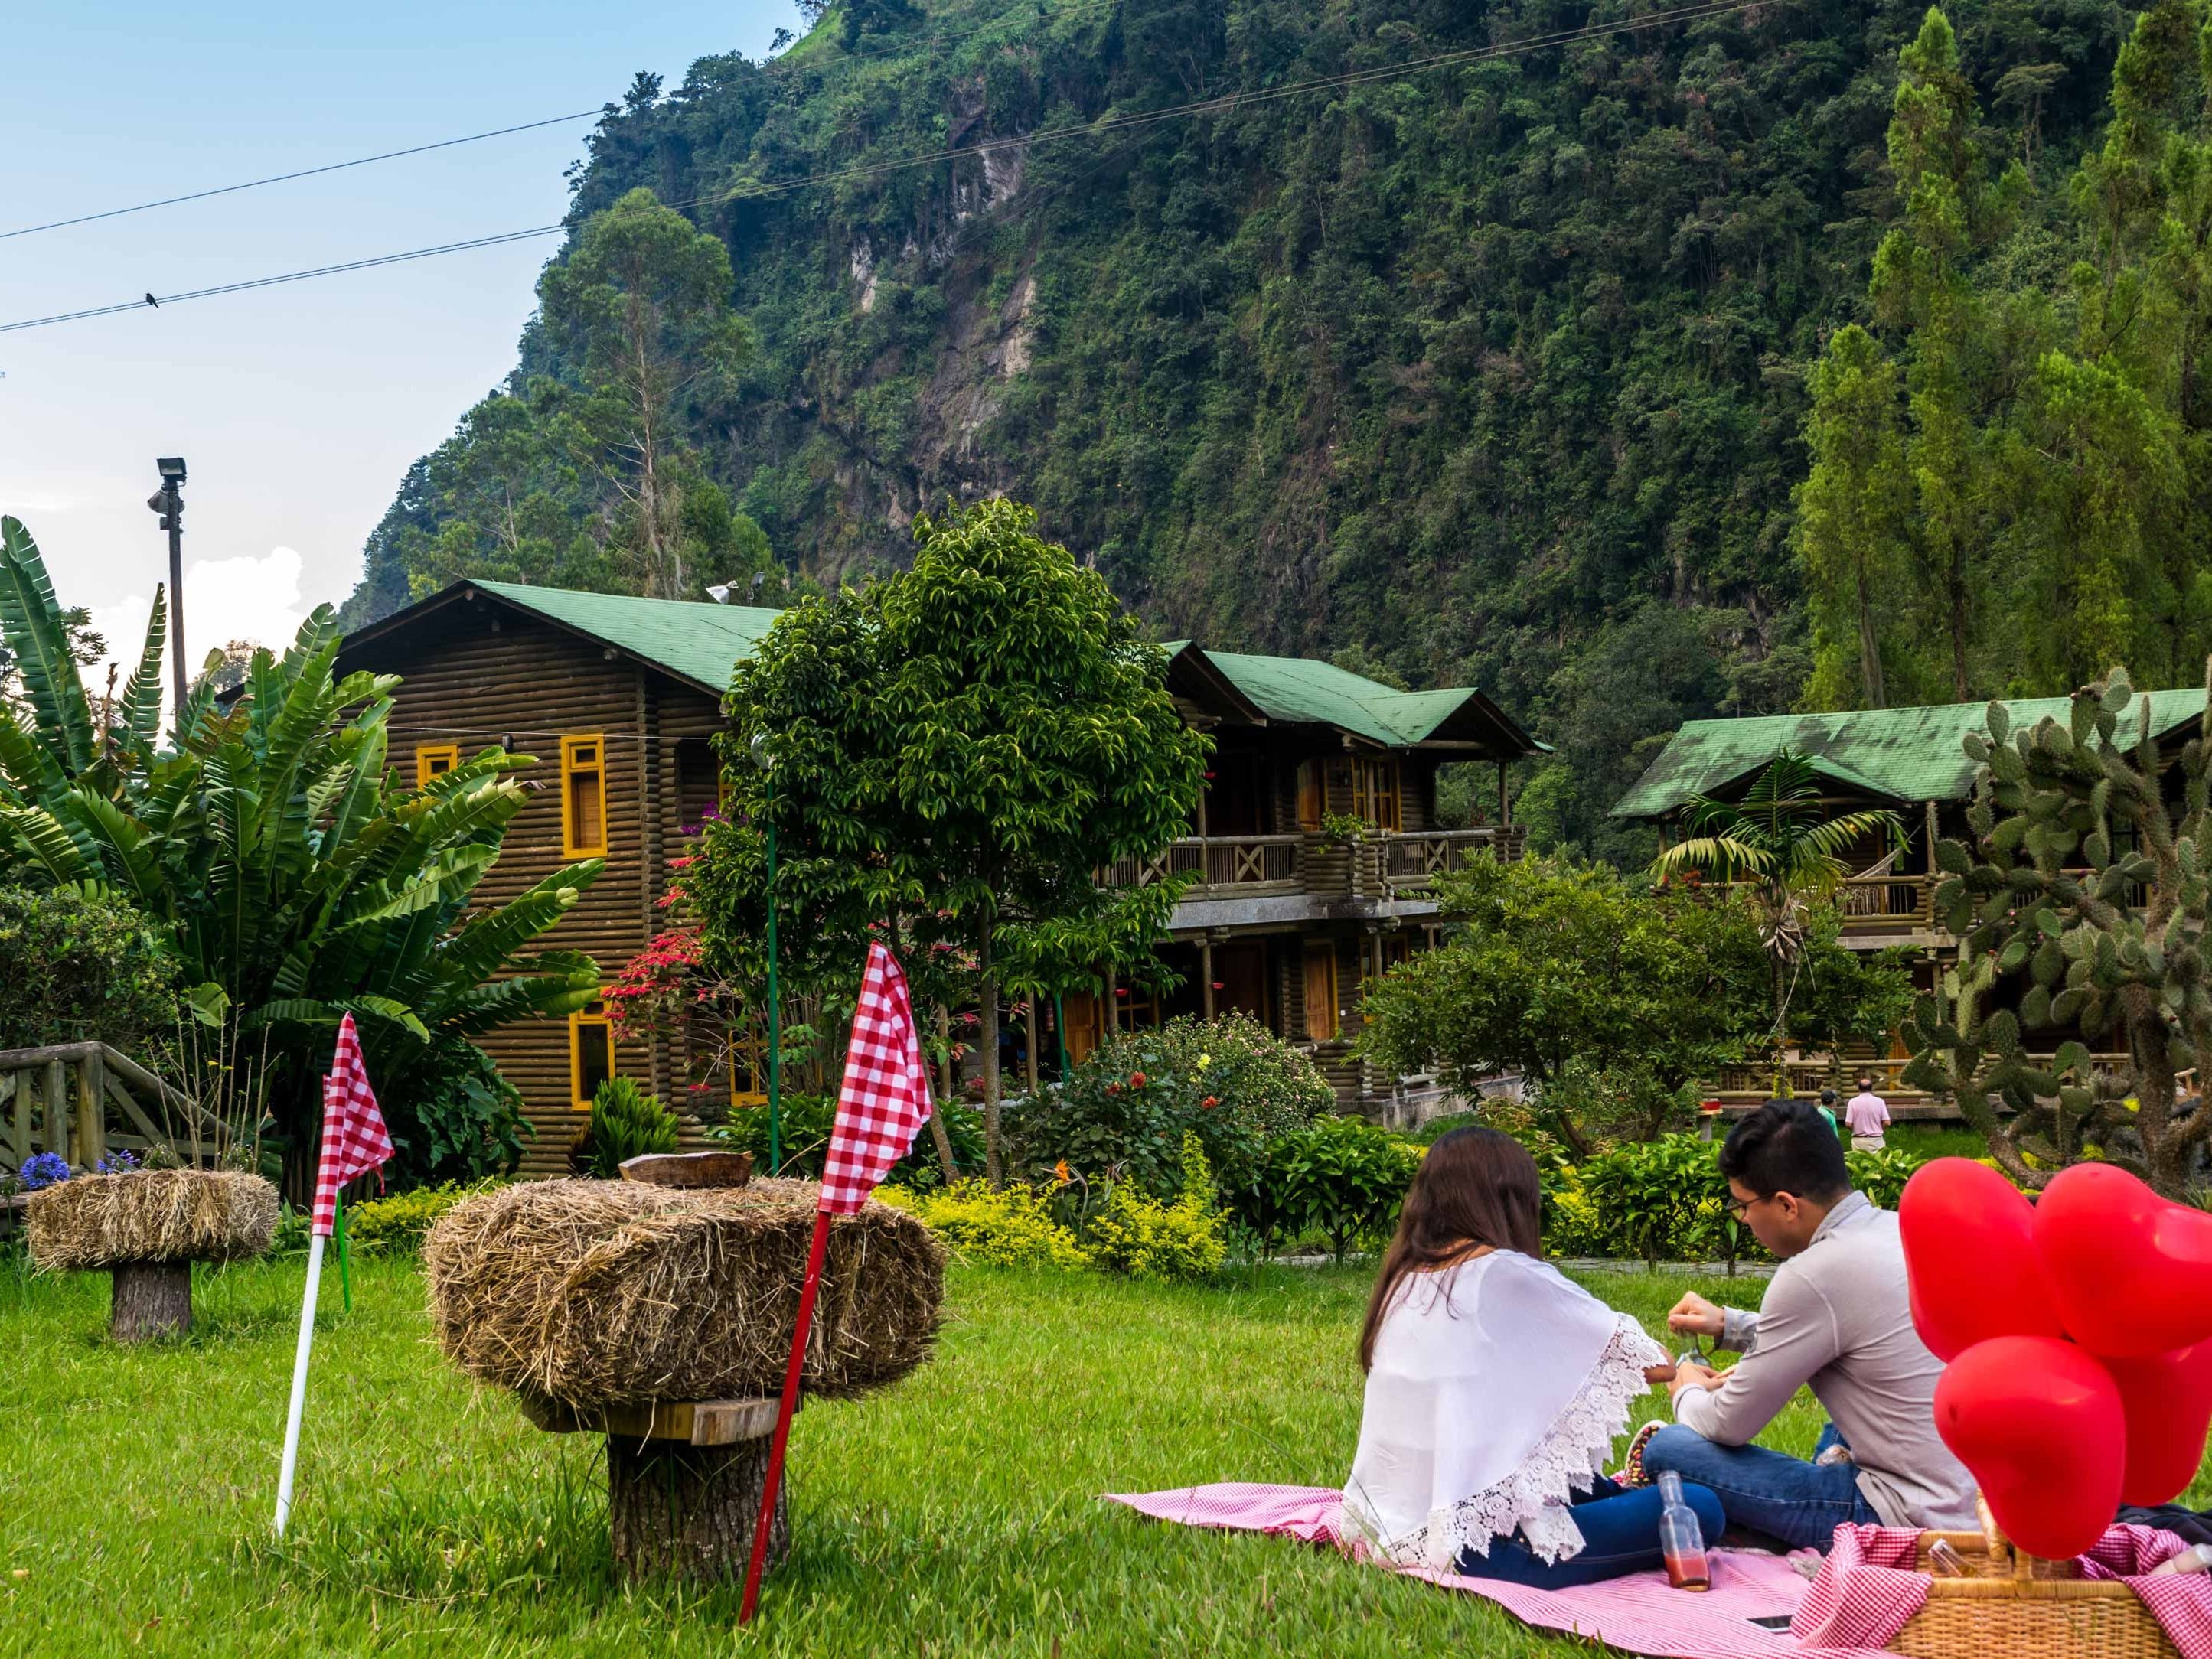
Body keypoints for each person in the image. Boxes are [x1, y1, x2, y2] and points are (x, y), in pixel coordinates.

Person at [1342, 1126, 1726, 1588]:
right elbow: (1649, 1360)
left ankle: (1629, 1489)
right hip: (1486, 1546)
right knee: (1700, 1506)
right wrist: (1686, 1375)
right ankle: (1639, 1490)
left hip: (1402, 1520)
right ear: (1511, 1200)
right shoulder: (1502, 1273)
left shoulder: (1403, 1278)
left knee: (1590, 1485)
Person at [1641, 1099, 1975, 1550]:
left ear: (1785, 1205)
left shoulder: (1812, 1274)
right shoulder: (1900, 1230)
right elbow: (1849, 1330)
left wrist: (1685, 1387)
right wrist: (1730, 1325)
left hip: (1907, 1518)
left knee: (1669, 1449)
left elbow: (1726, 1424)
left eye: (1743, 1207)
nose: (1744, 1219)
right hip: (1975, 1498)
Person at [1844, 1075, 1891, 1152]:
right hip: (1876, 1141)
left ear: (1858, 1088)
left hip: (1859, 1141)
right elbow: (1887, 1123)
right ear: (1871, 1088)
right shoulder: (1880, 1101)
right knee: (1878, 1159)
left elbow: (1848, 1124)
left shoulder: (1852, 1102)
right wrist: (1878, 1129)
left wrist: (1856, 1130)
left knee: (1859, 1159)